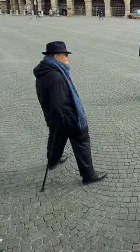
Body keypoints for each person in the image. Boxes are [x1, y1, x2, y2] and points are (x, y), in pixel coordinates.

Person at [33, 41, 107, 184]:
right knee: (82, 138)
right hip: (66, 117)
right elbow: (58, 104)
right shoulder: (56, 77)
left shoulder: (46, 70)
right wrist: (66, 122)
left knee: (55, 136)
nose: (68, 57)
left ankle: (53, 160)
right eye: (65, 55)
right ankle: (89, 175)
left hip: (53, 116)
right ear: (56, 56)